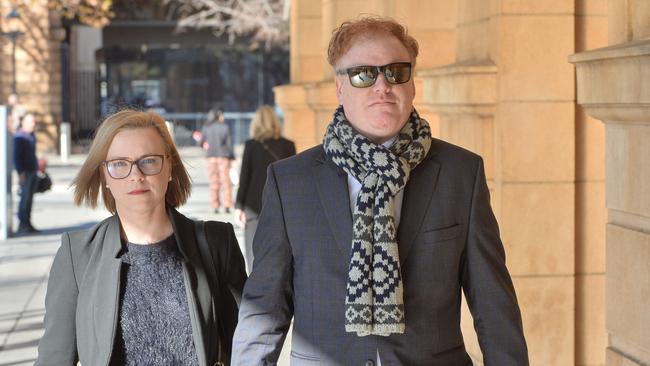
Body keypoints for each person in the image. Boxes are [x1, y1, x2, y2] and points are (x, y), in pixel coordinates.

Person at [232, 17, 529, 365]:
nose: (382, 86)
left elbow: (494, 307)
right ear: (339, 87)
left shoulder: (461, 173)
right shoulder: (289, 182)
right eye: (363, 74)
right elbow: (264, 311)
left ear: (412, 84)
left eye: (396, 72)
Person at [36, 110, 247, 366]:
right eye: (120, 164)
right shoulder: (76, 254)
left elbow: (245, 348)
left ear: (169, 166)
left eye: (148, 160)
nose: (136, 174)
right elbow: (54, 359)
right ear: (104, 175)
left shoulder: (217, 243)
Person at [235, 105, 296, 273]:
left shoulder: (251, 146)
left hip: (253, 207)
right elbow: (293, 179)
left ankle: (256, 290)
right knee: (280, 253)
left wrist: (239, 207)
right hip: (281, 206)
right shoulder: (288, 145)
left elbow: (245, 177)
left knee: (253, 254)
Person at [199, 107, 235, 214]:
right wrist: (232, 157)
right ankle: (227, 205)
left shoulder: (206, 127)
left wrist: (205, 145)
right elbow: (229, 144)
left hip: (211, 157)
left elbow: (201, 142)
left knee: (214, 181)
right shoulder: (225, 127)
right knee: (226, 181)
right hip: (223, 156)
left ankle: (215, 205)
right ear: (219, 116)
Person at [13, 113, 39, 234]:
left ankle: (28, 223)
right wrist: (20, 173)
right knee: (24, 199)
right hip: (25, 173)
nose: (34, 124)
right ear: (24, 123)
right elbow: (17, 157)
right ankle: (22, 224)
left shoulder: (31, 135)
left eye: (34, 122)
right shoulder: (20, 137)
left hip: (33, 171)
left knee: (29, 199)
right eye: (31, 122)